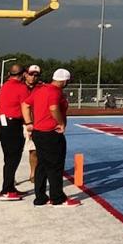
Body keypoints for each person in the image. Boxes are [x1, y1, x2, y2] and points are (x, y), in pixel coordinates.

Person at [25, 69, 79, 206]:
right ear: (64, 81)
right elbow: (53, 108)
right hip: (51, 132)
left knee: (42, 165)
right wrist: (61, 123)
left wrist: (29, 123)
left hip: (38, 132)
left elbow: (25, 104)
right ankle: (57, 197)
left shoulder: (40, 90)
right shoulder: (55, 91)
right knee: (55, 165)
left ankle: (40, 197)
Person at [0, 64, 30, 201]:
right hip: (12, 124)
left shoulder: (6, 85)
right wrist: (29, 123)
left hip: (3, 122)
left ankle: (10, 187)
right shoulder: (21, 88)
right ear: (21, 75)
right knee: (13, 158)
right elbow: (26, 106)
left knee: (9, 157)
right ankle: (6, 190)